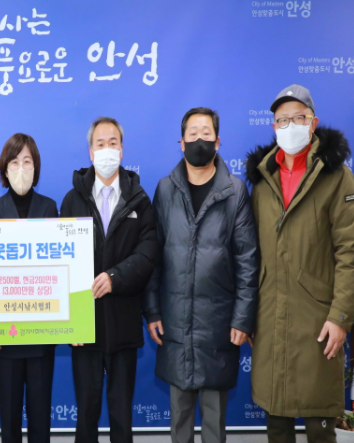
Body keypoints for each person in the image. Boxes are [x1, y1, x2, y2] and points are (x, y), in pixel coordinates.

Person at [246, 84, 354, 443]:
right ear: (273, 126)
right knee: (276, 424)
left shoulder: (336, 176)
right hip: (269, 317)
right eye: (282, 120)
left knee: (318, 426)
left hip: (318, 321)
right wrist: (249, 315)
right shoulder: (263, 179)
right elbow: (251, 254)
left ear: (313, 122)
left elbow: (349, 252)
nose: (290, 125)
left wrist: (340, 317)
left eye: (298, 118)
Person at [143, 107, 258, 443]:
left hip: (219, 326)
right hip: (175, 322)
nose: (199, 140)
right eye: (192, 134)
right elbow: (153, 256)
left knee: (213, 423)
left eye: (206, 133)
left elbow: (248, 260)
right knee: (179, 421)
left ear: (218, 142)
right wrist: (152, 310)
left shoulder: (235, 191)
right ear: (181, 142)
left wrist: (243, 318)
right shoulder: (165, 189)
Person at [60, 116, 157, 443]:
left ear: (122, 149)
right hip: (84, 328)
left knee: (121, 415)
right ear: (90, 152)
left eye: (112, 143)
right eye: (100, 144)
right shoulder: (72, 200)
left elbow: (147, 253)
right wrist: (70, 323)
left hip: (123, 323)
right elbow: (62, 264)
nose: (106, 149)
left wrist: (115, 277)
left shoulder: (139, 199)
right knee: (86, 414)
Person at [0, 133, 58, 443]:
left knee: (41, 421)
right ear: (5, 168)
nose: (21, 168)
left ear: (36, 166)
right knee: (10, 419)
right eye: (14, 162)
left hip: (42, 334)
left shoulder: (50, 208)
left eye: (27, 161)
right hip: (6, 337)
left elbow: (59, 273)